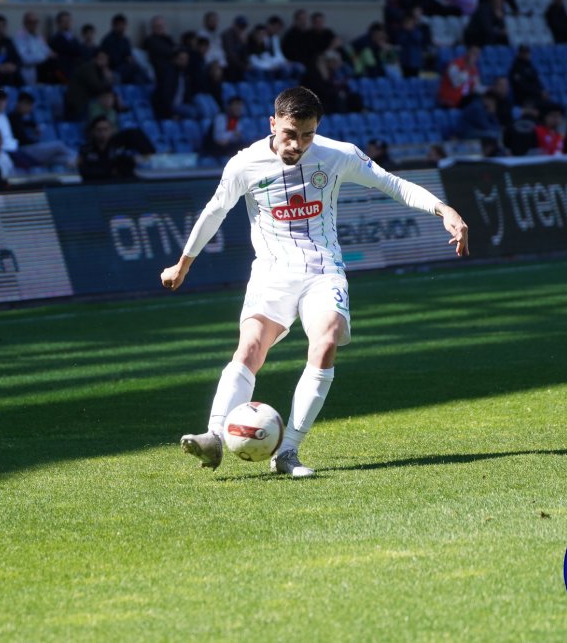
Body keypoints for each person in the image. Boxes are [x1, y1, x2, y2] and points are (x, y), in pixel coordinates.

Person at [161, 87, 469, 477]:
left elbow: (392, 184)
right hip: (272, 272)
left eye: (307, 134)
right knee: (250, 349)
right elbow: (214, 211)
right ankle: (214, 438)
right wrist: (183, 263)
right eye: (290, 133)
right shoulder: (245, 164)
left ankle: (287, 452)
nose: (299, 144)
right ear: (273, 124)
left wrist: (444, 209)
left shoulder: (337, 154)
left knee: (325, 343)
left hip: (323, 269)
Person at [77, 115, 138, 181]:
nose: (102, 133)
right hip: (93, 186)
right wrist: (109, 170)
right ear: (92, 131)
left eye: (105, 129)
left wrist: (100, 168)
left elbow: (128, 169)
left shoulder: (120, 147)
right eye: (99, 130)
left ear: (111, 130)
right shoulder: (85, 149)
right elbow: (84, 172)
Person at [14, 11, 57, 85]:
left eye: (36, 22)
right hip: (27, 71)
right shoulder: (20, 36)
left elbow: (48, 51)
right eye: (31, 22)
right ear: (25, 23)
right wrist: (44, 56)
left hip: (41, 70)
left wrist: (46, 55)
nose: (34, 24)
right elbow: (25, 58)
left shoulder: (38, 36)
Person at [0, 14, 24, 87]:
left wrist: (14, 66)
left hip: (11, 73)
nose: (0, 29)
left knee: (19, 78)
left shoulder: (8, 42)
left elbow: (18, 59)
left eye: (3, 26)